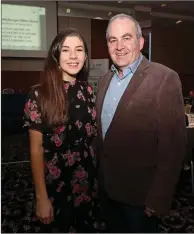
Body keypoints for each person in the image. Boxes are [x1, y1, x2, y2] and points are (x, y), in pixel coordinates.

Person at [95, 14, 186, 233]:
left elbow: (173, 147)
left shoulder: (165, 78)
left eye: (126, 38)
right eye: (112, 39)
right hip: (107, 190)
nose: (119, 46)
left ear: (141, 42)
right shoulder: (104, 80)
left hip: (141, 197)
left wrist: (159, 198)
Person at [23, 28, 105, 233]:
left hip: (87, 179)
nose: (73, 56)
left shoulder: (86, 90)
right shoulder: (39, 94)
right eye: (66, 50)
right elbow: (36, 150)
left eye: (79, 50)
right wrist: (41, 197)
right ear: (56, 54)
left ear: (85, 56)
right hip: (56, 183)